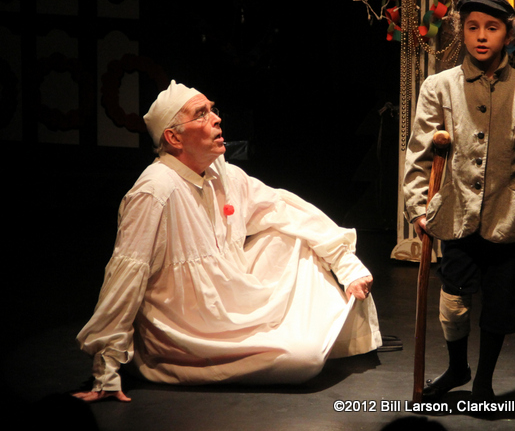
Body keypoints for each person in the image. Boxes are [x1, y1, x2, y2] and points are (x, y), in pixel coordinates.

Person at [73, 81, 381, 403]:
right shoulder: (155, 191)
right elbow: (127, 275)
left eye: (212, 110)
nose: (216, 119)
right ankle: (277, 343)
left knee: (292, 240)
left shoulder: (220, 174)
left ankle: (280, 337)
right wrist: (106, 369)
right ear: (174, 138)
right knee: (306, 360)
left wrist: (347, 264)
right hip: (187, 329)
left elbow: (281, 208)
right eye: (201, 114)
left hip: (227, 297)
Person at [403, 0, 515, 400]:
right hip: (455, 212)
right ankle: (458, 368)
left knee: (499, 305)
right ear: (462, 31)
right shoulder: (439, 87)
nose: (481, 36)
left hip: (506, 216)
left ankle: (484, 381)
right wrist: (417, 207)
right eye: (473, 27)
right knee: (453, 298)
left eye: (492, 27)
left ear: (508, 33)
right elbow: (420, 152)